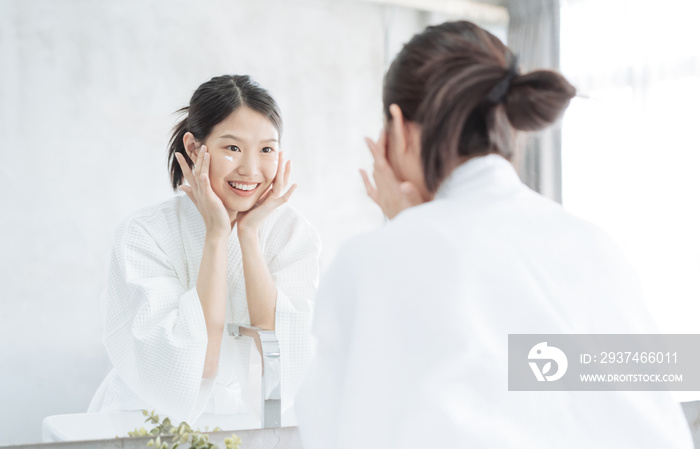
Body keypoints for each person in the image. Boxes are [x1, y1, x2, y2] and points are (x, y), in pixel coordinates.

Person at [295, 21, 693, 448]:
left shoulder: (375, 261)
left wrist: (406, 229)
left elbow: (334, 428)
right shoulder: (593, 243)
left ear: (398, 126)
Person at [88, 75, 321, 424]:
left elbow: (287, 363)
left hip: (248, 422)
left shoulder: (292, 233)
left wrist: (249, 235)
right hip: (144, 419)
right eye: (233, 148)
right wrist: (217, 234)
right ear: (195, 148)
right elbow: (192, 366)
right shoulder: (143, 235)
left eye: (266, 149)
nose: (251, 169)